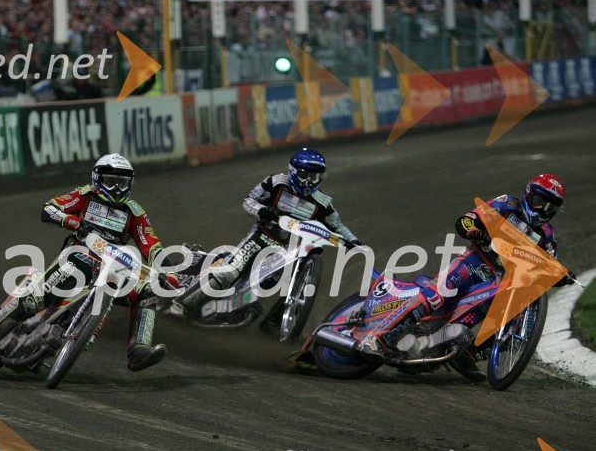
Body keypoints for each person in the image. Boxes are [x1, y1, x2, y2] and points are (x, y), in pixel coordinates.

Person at [0, 153, 180, 372]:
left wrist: (169, 273)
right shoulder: (84, 196)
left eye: (121, 182)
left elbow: (151, 245)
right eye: (110, 181)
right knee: (33, 301)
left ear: (130, 183)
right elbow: (49, 208)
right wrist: (72, 222)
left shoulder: (135, 213)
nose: (116, 188)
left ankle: (139, 350)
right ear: (98, 179)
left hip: (114, 271)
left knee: (147, 292)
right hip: (78, 257)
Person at [391, 174, 576, 379]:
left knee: (522, 319)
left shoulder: (547, 235)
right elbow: (466, 220)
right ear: (529, 195)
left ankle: (467, 355)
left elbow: (549, 265)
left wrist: (562, 275)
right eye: (540, 201)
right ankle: (390, 327)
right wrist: (476, 232)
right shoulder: (507, 204)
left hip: (497, 283)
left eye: (550, 207)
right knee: (437, 294)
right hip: (473, 263)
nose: (543, 210)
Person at [171, 148, 362, 333]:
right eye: (304, 175)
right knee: (229, 272)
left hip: (285, 251)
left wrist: (353, 240)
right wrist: (262, 210)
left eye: (314, 177)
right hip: (259, 238)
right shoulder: (275, 183)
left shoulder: (322, 203)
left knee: (267, 288)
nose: (307, 181)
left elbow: (337, 225)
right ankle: (181, 305)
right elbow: (249, 200)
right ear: (294, 171)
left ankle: (261, 321)